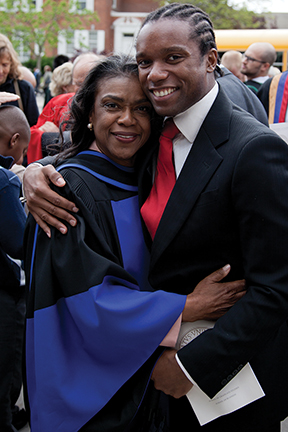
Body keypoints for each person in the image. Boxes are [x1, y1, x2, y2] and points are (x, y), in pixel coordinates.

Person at [23, 3, 288, 432]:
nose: (155, 75)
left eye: (174, 58)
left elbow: (277, 289)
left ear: (210, 60)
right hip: (144, 387)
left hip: (225, 385)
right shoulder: (149, 143)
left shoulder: (252, 149)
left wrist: (191, 365)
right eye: (145, 62)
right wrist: (29, 174)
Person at [0, 105, 30, 431]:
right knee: (7, 368)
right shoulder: (5, 181)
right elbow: (20, 242)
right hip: (6, 296)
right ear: (14, 140)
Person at [26, 53, 103, 165]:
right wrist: (44, 134)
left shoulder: (111, 109)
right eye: (78, 83)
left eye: (90, 83)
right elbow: (31, 135)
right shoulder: (59, 103)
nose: (84, 90)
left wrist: (57, 136)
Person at [0, 33, 39, 126]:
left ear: (11, 63)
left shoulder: (23, 88)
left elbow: (34, 127)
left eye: (4, 65)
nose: (0, 71)